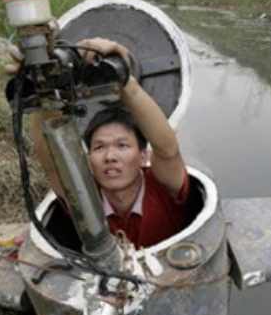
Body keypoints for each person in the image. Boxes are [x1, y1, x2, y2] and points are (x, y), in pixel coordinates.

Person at [30, 37, 194, 249]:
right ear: (89, 161)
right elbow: (53, 164)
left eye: (122, 145)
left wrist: (123, 78)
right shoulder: (83, 196)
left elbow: (167, 150)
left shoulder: (163, 188)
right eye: (99, 147)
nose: (110, 157)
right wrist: (44, 88)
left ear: (143, 157)